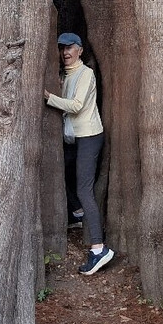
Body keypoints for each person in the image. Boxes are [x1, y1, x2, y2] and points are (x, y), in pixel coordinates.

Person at [44, 32, 114, 275]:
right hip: (73, 138)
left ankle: (99, 248)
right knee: (59, 171)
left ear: (80, 50)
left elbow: (75, 106)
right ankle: (77, 212)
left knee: (85, 189)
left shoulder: (86, 74)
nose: (66, 52)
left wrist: (49, 97)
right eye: (62, 48)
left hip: (89, 137)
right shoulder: (65, 75)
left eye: (70, 47)